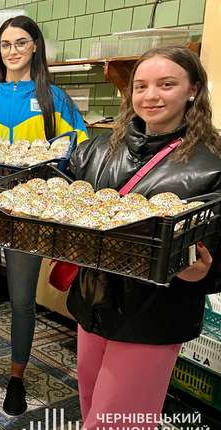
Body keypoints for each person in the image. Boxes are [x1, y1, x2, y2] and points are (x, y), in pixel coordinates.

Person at [67, 46, 221, 430]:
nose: (150, 96)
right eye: (140, 86)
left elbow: (214, 256)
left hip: (153, 315)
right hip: (92, 301)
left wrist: (203, 272)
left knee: (117, 421)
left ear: (193, 90)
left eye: (166, 85)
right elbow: (64, 201)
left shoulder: (212, 165)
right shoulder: (99, 150)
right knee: (90, 404)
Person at [0, 16, 87, 413]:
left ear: (35, 46)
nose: (12, 51)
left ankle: (16, 378)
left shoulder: (53, 99)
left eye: (21, 42)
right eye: (6, 44)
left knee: (22, 299)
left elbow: (76, 150)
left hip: (27, 215)